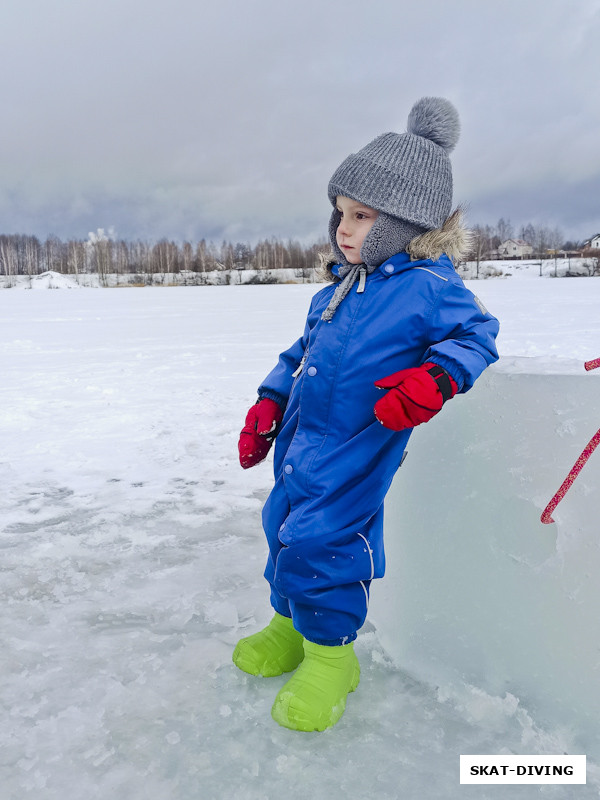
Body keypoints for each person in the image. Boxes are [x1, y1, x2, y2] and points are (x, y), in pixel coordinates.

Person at [233, 97, 499, 732]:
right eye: (340, 214)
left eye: (360, 216)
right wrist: (269, 400)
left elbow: (477, 337)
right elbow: (298, 355)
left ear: (404, 223)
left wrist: (433, 379)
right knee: (283, 526)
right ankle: (289, 627)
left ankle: (332, 657)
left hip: (361, 440)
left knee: (325, 541)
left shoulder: (429, 288)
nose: (341, 229)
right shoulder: (337, 288)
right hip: (305, 440)